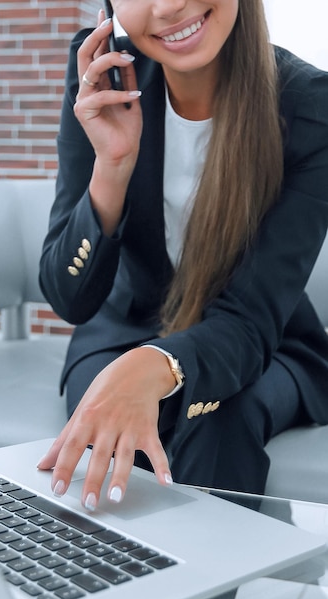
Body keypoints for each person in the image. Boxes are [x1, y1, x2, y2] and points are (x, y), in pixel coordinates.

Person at [38, 0, 328, 513]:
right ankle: (105, 586)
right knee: (113, 429)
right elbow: (69, 298)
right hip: (121, 333)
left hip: (265, 343)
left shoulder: (309, 106)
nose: (170, 5)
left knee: (219, 414)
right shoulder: (103, 78)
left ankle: (195, 591)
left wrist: (158, 365)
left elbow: (249, 317)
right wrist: (112, 166)